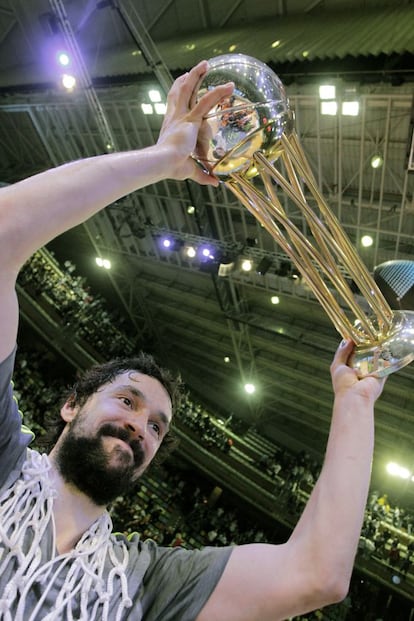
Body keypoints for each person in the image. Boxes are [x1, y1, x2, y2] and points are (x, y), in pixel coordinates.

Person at [0, 60, 386, 620]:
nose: (140, 425)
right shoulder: (5, 465)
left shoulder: (148, 583)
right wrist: (164, 161)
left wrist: (354, 401)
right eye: (128, 401)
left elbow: (317, 574)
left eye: (156, 427)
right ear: (69, 403)